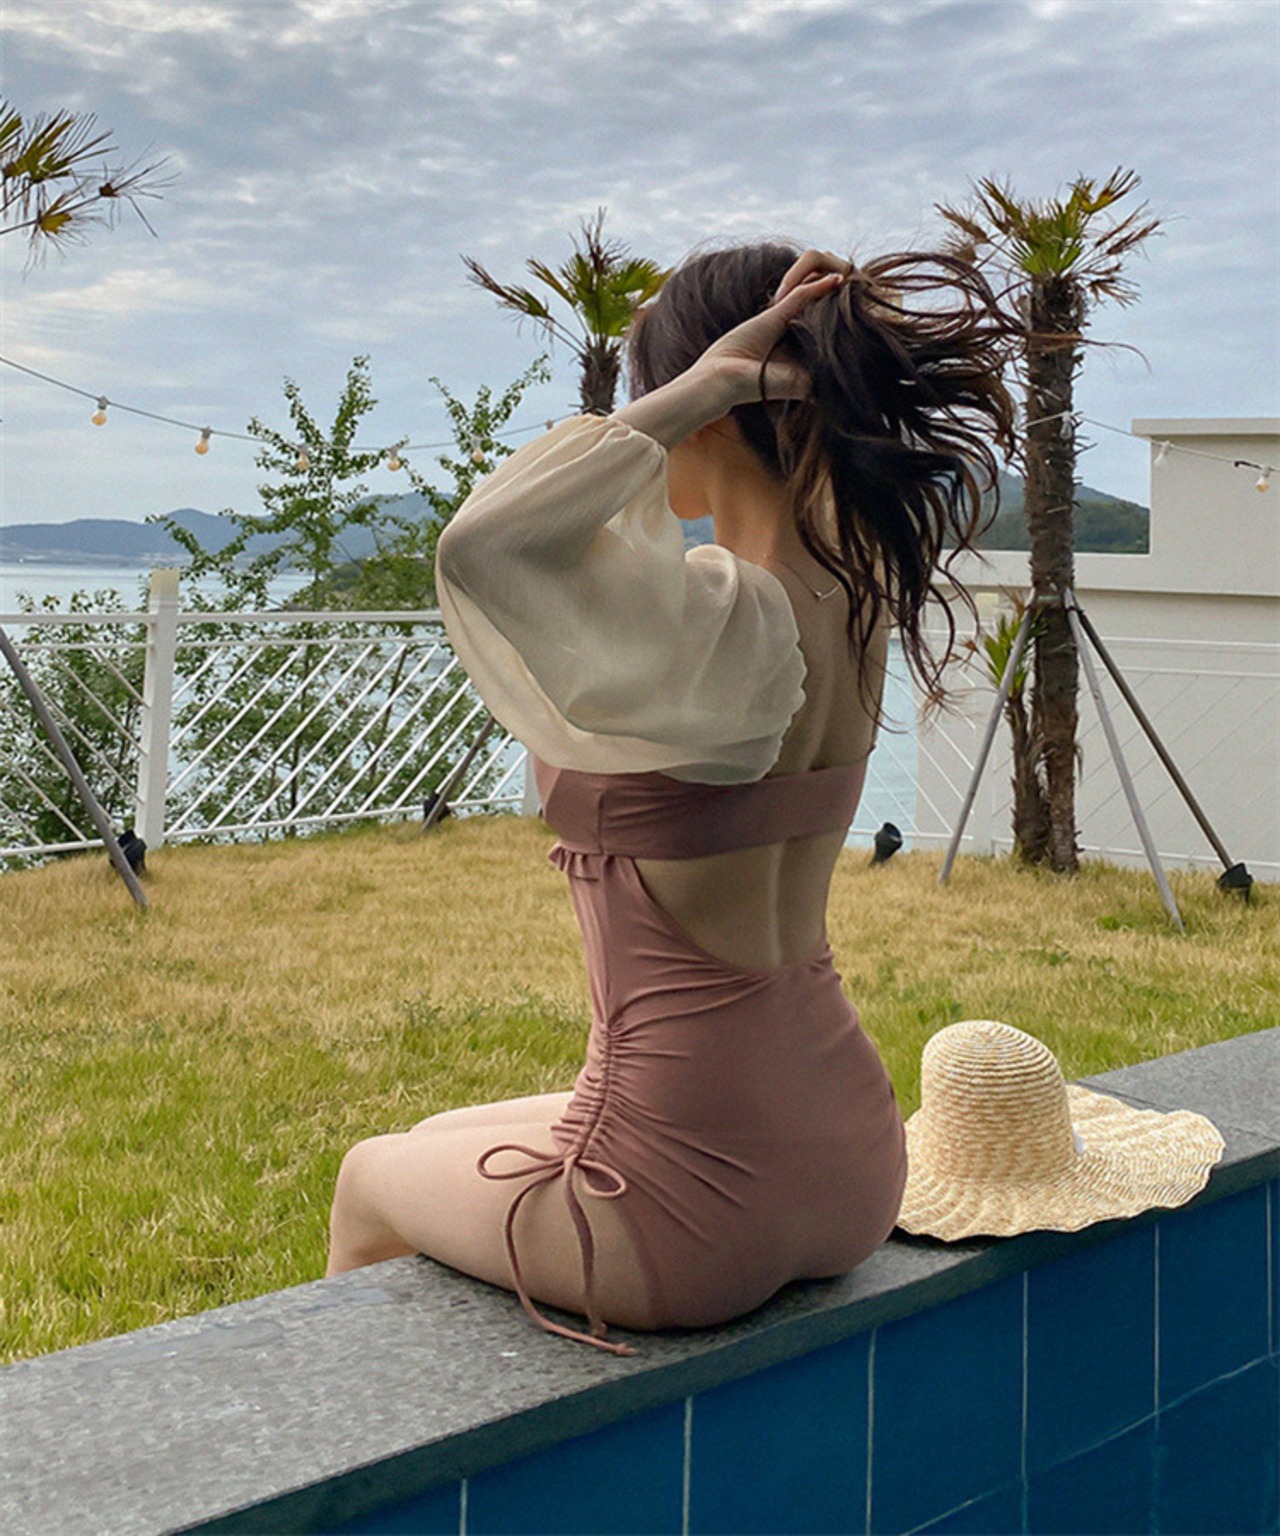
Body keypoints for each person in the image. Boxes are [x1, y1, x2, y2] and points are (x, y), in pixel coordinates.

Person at [325, 242, 1019, 1353]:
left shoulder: (725, 622)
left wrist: (700, 384)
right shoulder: (851, 595)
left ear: (720, 400)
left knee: (369, 1176)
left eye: (662, 388)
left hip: (678, 1206)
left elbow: (484, 544)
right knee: (439, 1132)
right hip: (849, 1156)